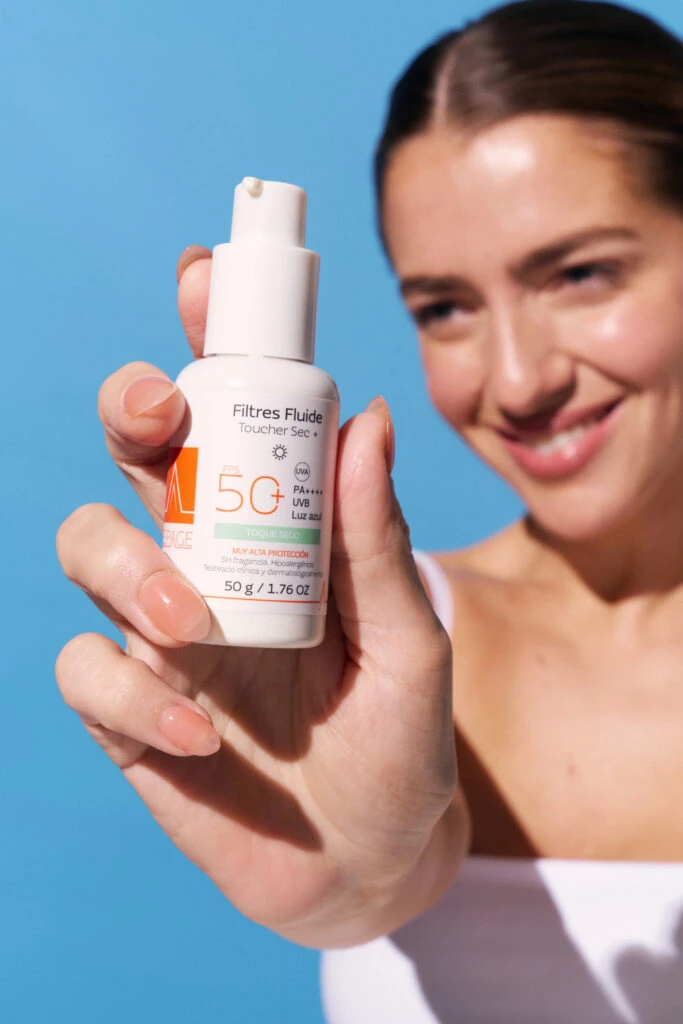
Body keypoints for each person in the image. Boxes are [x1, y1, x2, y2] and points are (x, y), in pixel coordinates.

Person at [55, 0, 683, 1019]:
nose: (516, 380)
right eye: (445, 307)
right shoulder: (361, 663)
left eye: (579, 273)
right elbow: (375, 877)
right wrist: (346, 878)